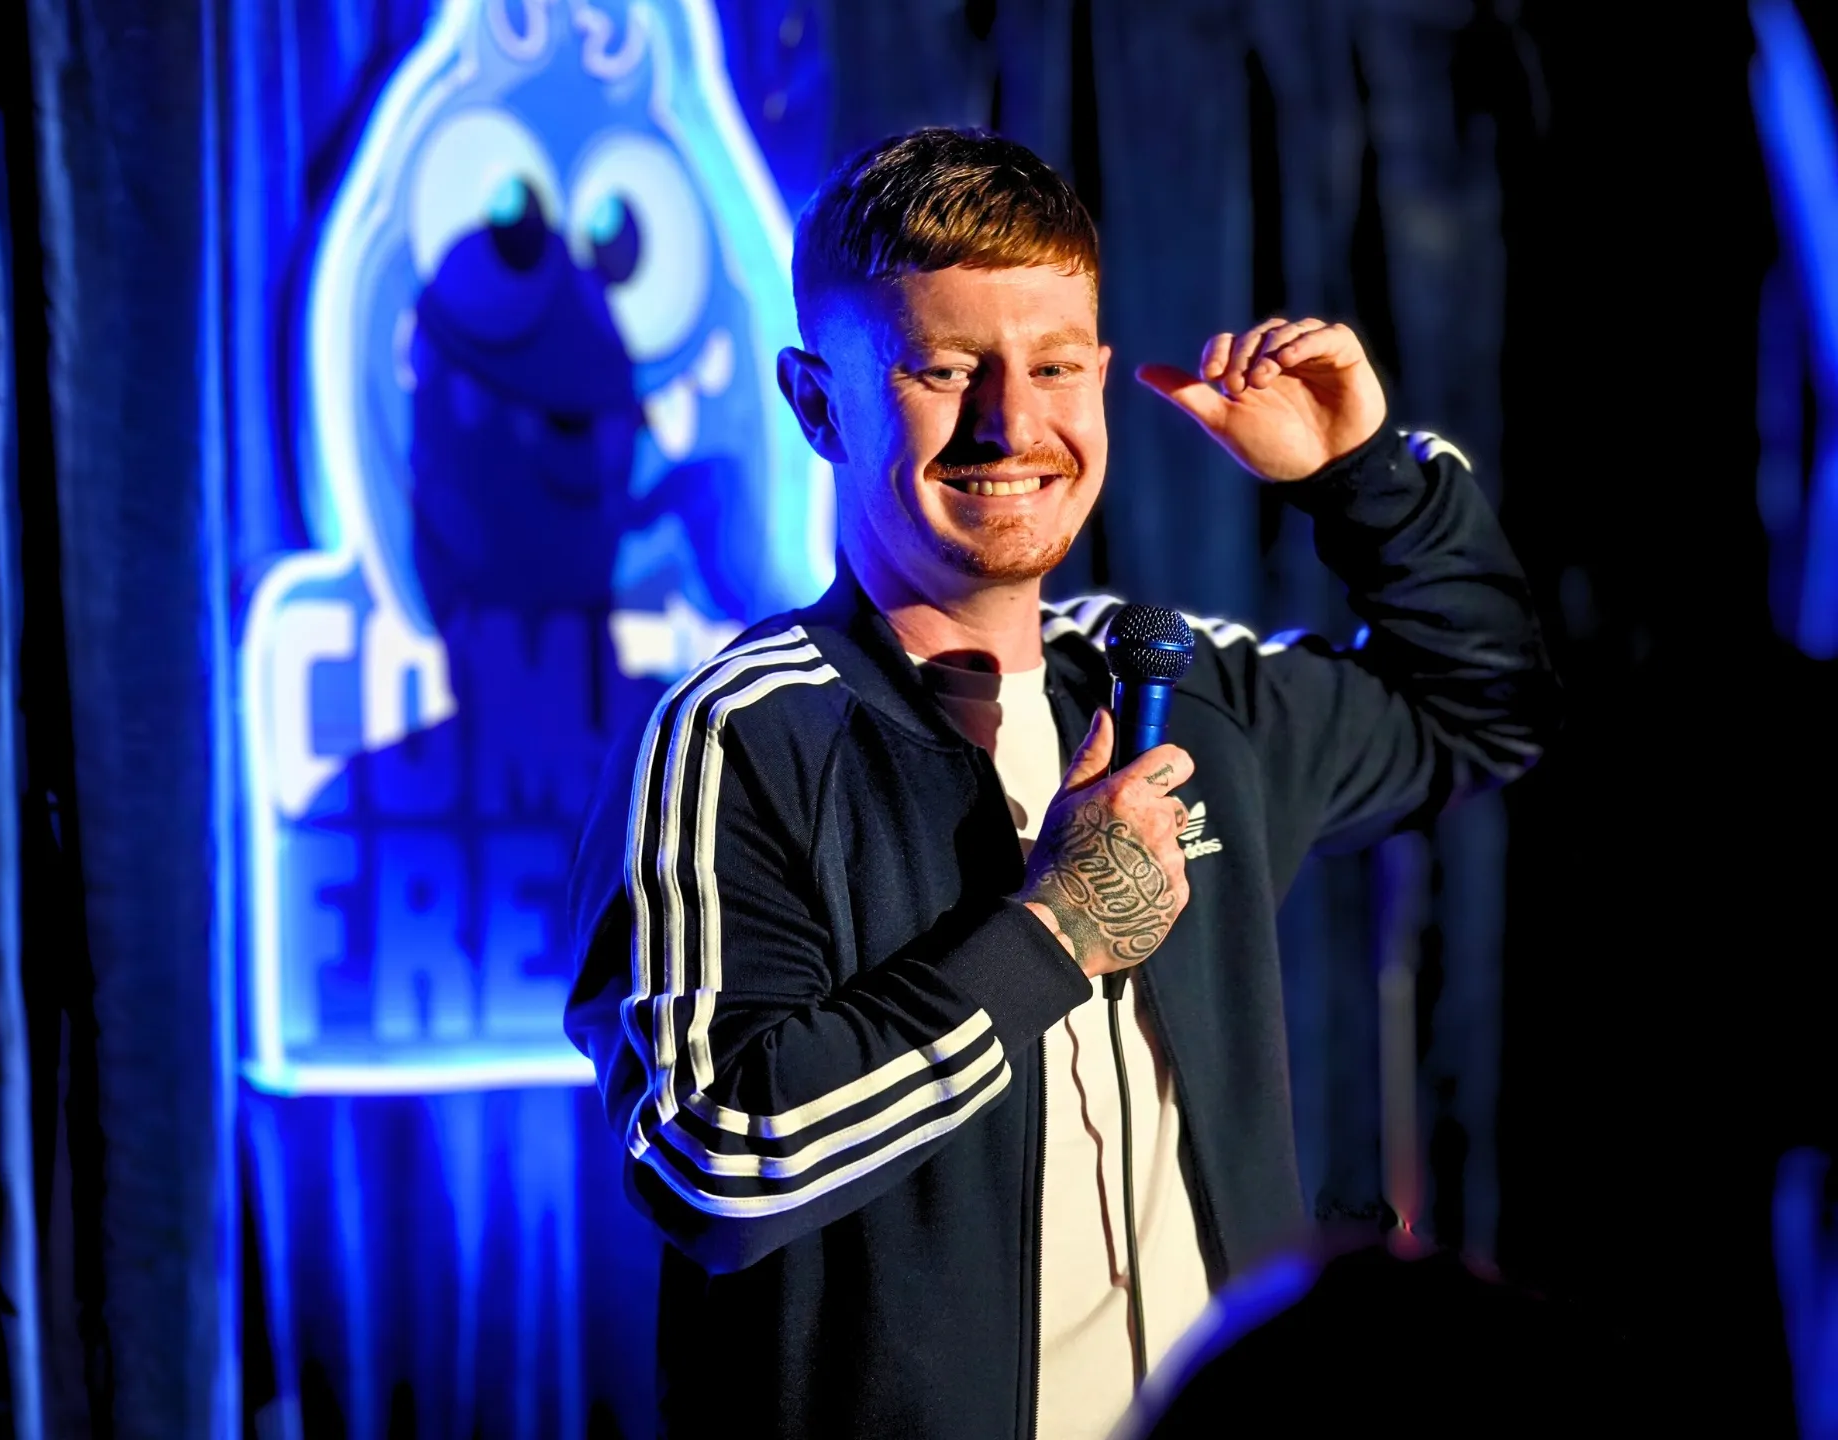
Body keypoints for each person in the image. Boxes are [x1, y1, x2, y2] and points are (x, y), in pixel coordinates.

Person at [565, 127, 1556, 1440]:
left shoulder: (1181, 688)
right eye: (943, 368)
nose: (1011, 424)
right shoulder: (743, 740)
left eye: (1053, 367)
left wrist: (1362, 479)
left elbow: (1484, 706)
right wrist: (1051, 937)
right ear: (818, 405)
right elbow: (715, 1164)